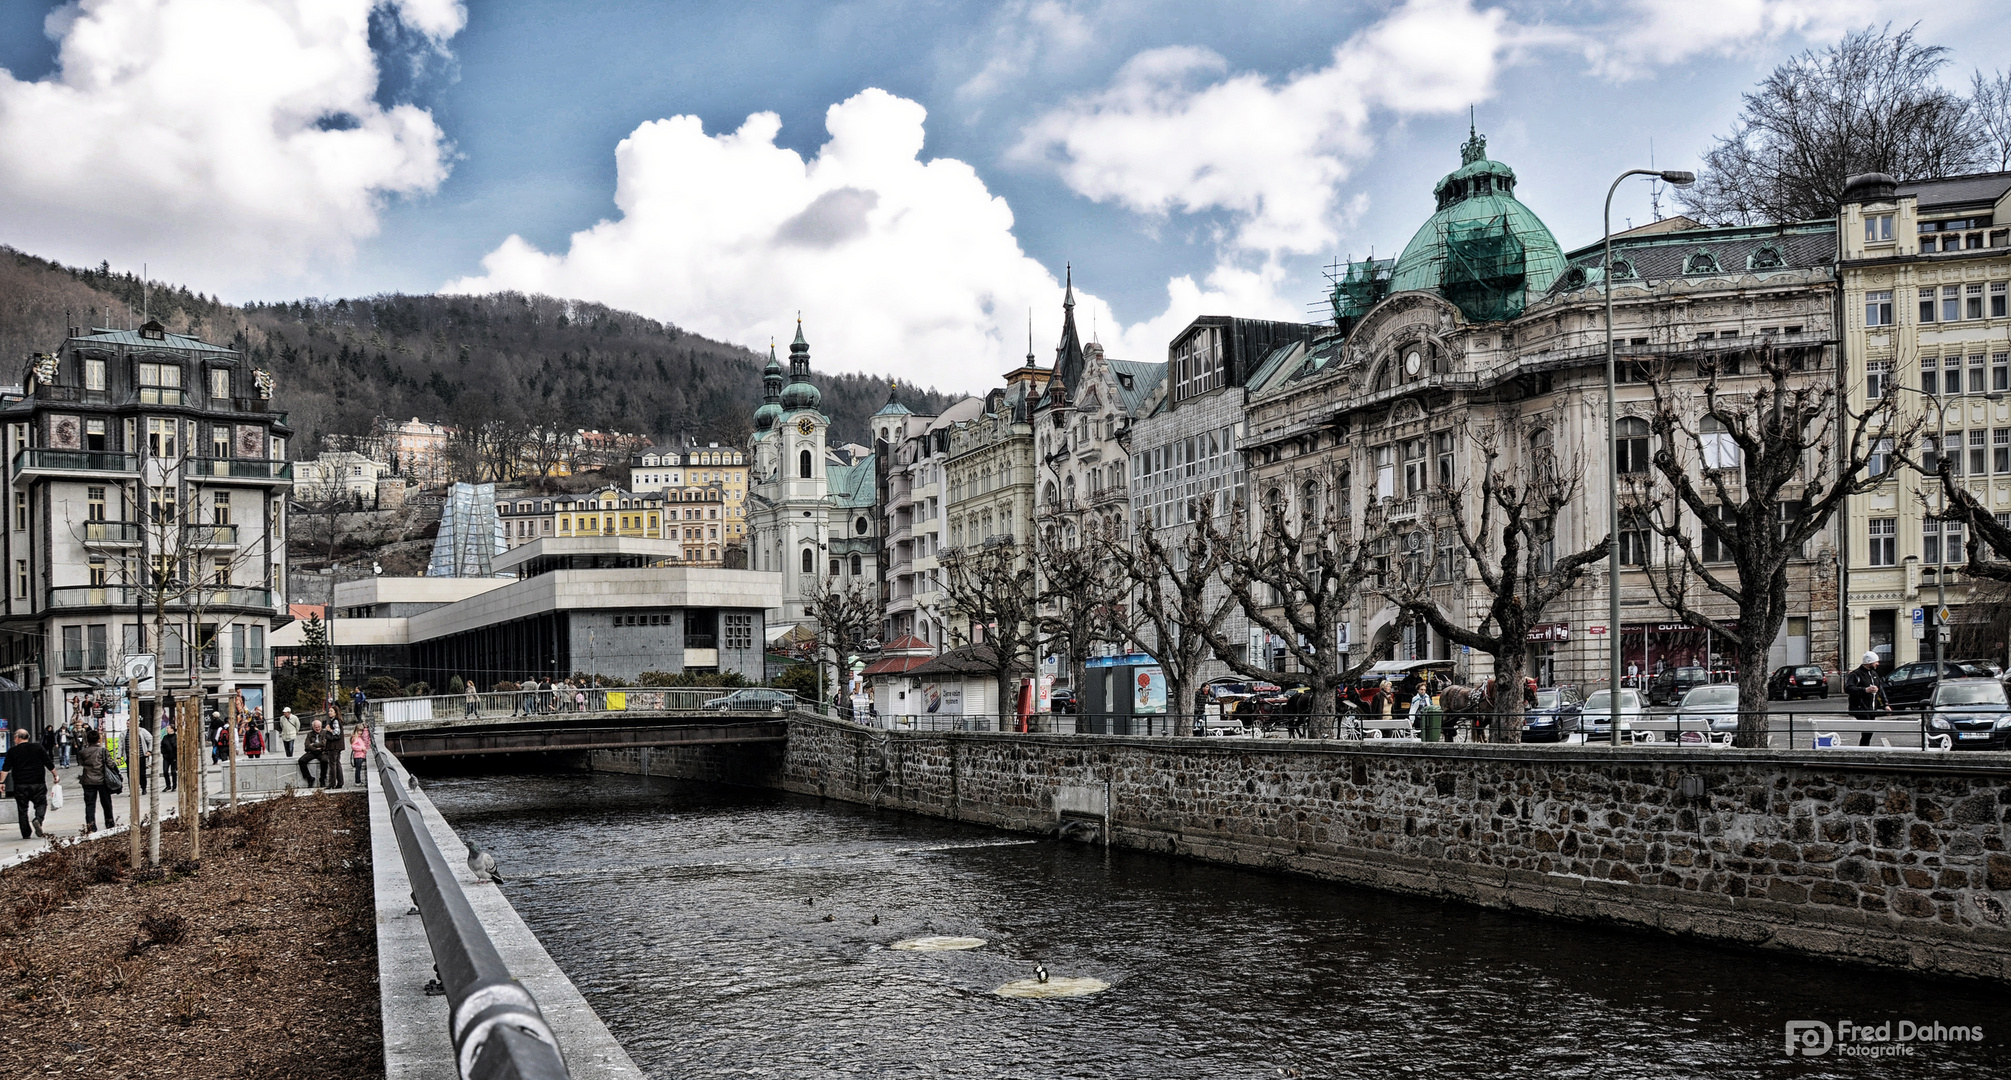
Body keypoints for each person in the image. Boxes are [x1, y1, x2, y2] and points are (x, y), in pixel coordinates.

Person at [4, 728, 53, 839]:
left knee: (22, 809)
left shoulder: (12, 751)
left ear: (17, 738)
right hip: (38, 782)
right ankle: (38, 819)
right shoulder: (38, 748)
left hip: (20, 784)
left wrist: (1, 782)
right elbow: (48, 762)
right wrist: (55, 775)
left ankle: (26, 833)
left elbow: (5, 768)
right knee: (41, 803)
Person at [76, 728, 116, 832]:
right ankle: (109, 821)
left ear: (87, 740)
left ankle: (91, 825)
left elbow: (81, 763)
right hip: (102, 780)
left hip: (87, 780)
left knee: (90, 804)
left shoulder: (82, 752)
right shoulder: (103, 751)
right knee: (106, 802)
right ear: (98, 739)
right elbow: (110, 764)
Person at [1845, 652, 1887, 722]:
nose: (1878, 664)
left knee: (1870, 729)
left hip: (1872, 708)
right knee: (1868, 728)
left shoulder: (1874, 674)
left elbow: (1880, 690)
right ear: (1869, 662)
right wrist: (1865, 690)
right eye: (1875, 662)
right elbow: (1848, 688)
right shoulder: (1856, 674)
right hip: (1860, 708)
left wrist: (1885, 704)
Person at [302, 719, 329, 787]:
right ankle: (309, 778)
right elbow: (307, 745)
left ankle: (322, 779)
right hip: (313, 751)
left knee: (324, 760)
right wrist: (315, 749)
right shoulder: (310, 734)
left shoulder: (325, 733)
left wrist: (313, 744)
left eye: (319, 726)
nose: (317, 728)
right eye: (316, 727)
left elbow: (324, 743)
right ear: (313, 727)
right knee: (301, 761)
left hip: (322, 751)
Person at [132, 719, 154, 794]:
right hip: (130, 757)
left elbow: (151, 739)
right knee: (131, 774)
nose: (128, 725)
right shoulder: (126, 732)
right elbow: (121, 744)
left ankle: (143, 788)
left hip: (141, 756)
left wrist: (149, 750)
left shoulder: (142, 731)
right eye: (127, 723)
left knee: (142, 773)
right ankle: (132, 790)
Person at [160, 720, 178, 792]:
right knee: (165, 771)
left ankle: (174, 785)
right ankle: (168, 785)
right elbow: (162, 746)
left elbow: (176, 747)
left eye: (168, 728)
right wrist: (163, 753)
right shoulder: (165, 737)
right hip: (166, 757)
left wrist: (175, 756)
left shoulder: (176, 737)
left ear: (172, 729)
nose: (167, 729)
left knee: (173, 771)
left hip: (173, 757)